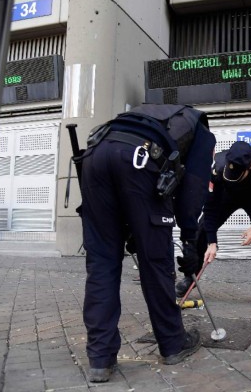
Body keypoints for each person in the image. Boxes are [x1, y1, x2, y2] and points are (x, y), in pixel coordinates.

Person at [79, 104, 216, 382]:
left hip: (94, 158)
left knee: (102, 264)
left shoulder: (142, 116)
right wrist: (191, 239)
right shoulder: (202, 131)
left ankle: (100, 358)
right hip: (140, 161)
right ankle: (173, 344)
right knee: (155, 263)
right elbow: (193, 187)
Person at [175, 141, 251, 309]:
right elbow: (210, 207)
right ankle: (191, 277)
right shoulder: (217, 168)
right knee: (201, 230)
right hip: (227, 197)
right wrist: (212, 242)